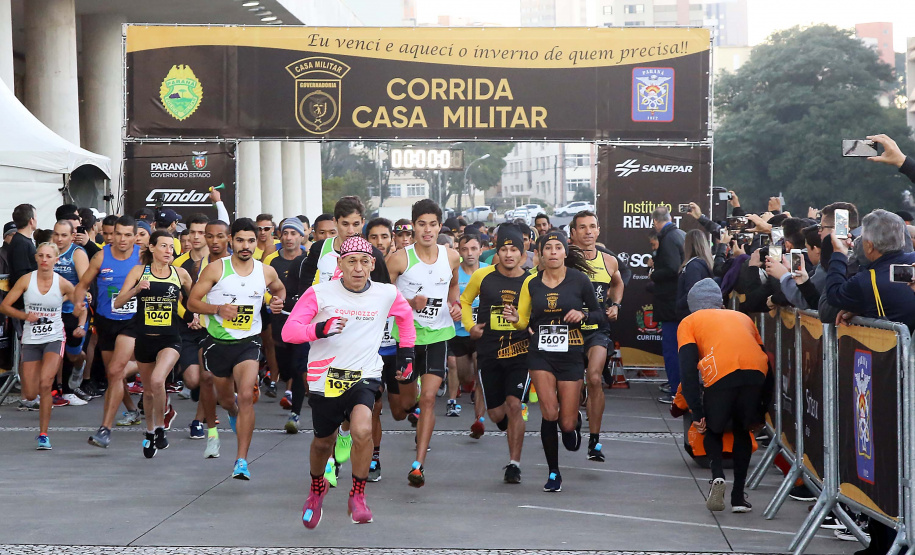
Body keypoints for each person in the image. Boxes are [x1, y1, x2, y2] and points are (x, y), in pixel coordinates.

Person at [283, 235, 415, 528]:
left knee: (362, 430)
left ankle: (358, 494)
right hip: (325, 378)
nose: (358, 268)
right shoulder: (320, 293)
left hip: (365, 375)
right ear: (340, 263)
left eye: (364, 262)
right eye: (351, 261)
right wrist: (320, 329)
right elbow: (289, 332)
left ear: (372, 265)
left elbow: (406, 320)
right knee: (323, 442)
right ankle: (316, 490)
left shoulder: (386, 294)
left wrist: (407, 355)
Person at [291, 196, 391, 486]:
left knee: (357, 389)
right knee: (330, 390)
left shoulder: (371, 255)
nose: (350, 229)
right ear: (334, 224)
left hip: (361, 333)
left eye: (356, 224)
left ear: (363, 223)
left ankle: (346, 435)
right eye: (344, 224)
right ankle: (334, 443)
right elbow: (303, 285)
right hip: (326, 331)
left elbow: (385, 292)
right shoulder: (319, 249)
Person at [502, 231, 606, 492]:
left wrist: (582, 314)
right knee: (549, 412)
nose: (553, 252)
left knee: (567, 424)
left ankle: (575, 424)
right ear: (540, 253)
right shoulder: (532, 283)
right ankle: (553, 473)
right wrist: (515, 318)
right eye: (547, 248)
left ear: (565, 252)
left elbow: (599, 314)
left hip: (571, 352)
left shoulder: (579, 280)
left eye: (558, 247)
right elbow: (524, 319)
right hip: (541, 354)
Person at [187, 218, 286, 480]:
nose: (246, 246)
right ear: (231, 240)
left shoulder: (265, 271)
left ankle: (241, 460)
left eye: (251, 241)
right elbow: (192, 303)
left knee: (245, 396)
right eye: (240, 240)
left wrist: (278, 302)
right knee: (228, 400)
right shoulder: (216, 269)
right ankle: (229, 413)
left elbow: (279, 290)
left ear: (257, 242)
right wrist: (218, 309)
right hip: (218, 343)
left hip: (248, 343)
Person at [387, 199, 461, 488]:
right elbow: (382, 294)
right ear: (413, 226)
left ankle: (418, 465)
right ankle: (412, 404)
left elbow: (453, 284)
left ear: (440, 226)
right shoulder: (399, 259)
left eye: (432, 224)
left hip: (439, 335)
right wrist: (408, 302)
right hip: (407, 337)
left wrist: (454, 303)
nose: (427, 230)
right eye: (421, 224)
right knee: (407, 404)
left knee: (429, 398)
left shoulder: (450, 256)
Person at [678, 278, 768, 513]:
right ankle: (738, 497)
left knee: (712, 428)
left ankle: (717, 477)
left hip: (720, 371)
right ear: (720, 301)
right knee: (742, 431)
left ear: (692, 304)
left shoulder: (689, 322)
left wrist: (696, 412)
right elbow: (763, 353)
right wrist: (764, 408)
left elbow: (687, 371)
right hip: (756, 371)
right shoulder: (742, 317)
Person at [461, 224, 531, 482]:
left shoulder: (530, 279)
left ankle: (514, 464)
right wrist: (470, 327)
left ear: (522, 253)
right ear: (496, 251)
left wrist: (524, 323)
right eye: (504, 249)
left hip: (520, 352)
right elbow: (466, 301)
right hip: (489, 351)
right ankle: (507, 425)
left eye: (514, 249)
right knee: (496, 414)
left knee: (515, 405)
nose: (509, 254)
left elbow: (533, 314)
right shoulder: (482, 276)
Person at [114, 231, 193, 458]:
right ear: (152, 247)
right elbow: (118, 302)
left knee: (159, 380)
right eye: (164, 246)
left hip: (170, 339)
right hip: (145, 339)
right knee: (148, 392)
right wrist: (137, 289)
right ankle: (150, 431)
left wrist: (196, 316)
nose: (169, 251)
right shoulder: (139, 272)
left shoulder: (181, 274)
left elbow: (197, 298)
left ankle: (160, 427)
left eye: (172, 247)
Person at [0, 242, 84, 449]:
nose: (44, 260)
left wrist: (80, 324)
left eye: (49, 256)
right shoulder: (26, 280)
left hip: (54, 338)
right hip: (31, 340)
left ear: (56, 260)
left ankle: (43, 434)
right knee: (29, 393)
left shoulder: (63, 283)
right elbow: (4, 306)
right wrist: (25, 315)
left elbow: (80, 307)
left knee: (46, 384)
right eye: (41, 256)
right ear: (36, 258)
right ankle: (37, 402)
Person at [75, 216, 142, 448]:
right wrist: (79, 302)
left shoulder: (142, 256)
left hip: (132, 322)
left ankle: (105, 429)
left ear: (135, 236)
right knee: (114, 373)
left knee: (115, 371)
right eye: (117, 234)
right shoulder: (102, 256)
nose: (121, 239)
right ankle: (133, 410)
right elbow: (82, 285)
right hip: (106, 321)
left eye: (127, 235)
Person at [569, 211, 623, 462]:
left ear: (599, 231)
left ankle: (594, 441)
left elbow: (617, 283)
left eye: (592, 227)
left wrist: (615, 305)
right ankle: (573, 417)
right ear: (574, 233)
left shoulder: (609, 260)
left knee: (594, 378)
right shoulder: (564, 259)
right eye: (582, 227)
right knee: (571, 387)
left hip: (597, 330)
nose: (588, 232)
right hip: (568, 331)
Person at [825, 210, 915, 330]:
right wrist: (862, 309)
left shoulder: (866, 281)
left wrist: (839, 253)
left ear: (869, 245)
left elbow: (834, 294)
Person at [263, 218, 309, 434]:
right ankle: (287, 387)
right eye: (286, 233)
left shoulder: (309, 260)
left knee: (300, 368)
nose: (289, 237)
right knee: (286, 367)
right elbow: (261, 285)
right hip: (279, 320)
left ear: (302, 237)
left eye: (294, 233)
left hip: (303, 321)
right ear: (280, 236)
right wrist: (270, 300)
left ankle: (296, 413)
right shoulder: (272, 260)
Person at [446, 233, 488, 417]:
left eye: (473, 248)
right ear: (459, 251)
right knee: (464, 375)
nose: (469, 253)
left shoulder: (490, 270)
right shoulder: (454, 272)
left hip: (482, 332)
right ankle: (466, 387)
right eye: (465, 249)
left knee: (481, 370)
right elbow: (446, 294)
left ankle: (478, 420)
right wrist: (451, 306)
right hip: (459, 332)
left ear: (481, 250)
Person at [51, 219, 92, 402]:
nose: (59, 239)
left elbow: (84, 285)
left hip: (74, 309)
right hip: (53, 310)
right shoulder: (49, 252)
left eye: (64, 235)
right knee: (52, 350)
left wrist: (63, 297)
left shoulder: (77, 253)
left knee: (73, 353)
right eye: (56, 234)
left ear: (72, 236)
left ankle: (79, 364)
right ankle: (59, 391)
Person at [650, 206, 685, 404]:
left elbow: (672, 269)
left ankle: (676, 391)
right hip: (677, 300)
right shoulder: (680, 234)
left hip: (671, 302)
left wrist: (654, 274)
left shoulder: (669, 238)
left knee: (672, 349)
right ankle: (678, 387)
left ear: (655, 222)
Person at [675, 230, 715, 320]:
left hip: (690, 315)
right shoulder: (706, 264)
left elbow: (692, 292)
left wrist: (678, 304)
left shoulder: (693, 266)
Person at [9, 204, 38, 296]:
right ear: (31, 220)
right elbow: (21, 274)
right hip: (25, 298)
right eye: (36, 216)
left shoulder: (23, 241)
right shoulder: (21, 242)